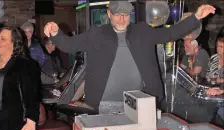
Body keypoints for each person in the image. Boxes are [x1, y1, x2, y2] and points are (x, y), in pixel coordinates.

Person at [44, 1, 215, 113]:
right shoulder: (96, 34)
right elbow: (69, 45)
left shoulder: (142, 31)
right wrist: (55, 33)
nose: (121, 19)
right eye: (117, 14)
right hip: (105, 103)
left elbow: (171, 33)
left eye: (125, 15)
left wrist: (196, 17)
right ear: (109, 14)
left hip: (142, 102)